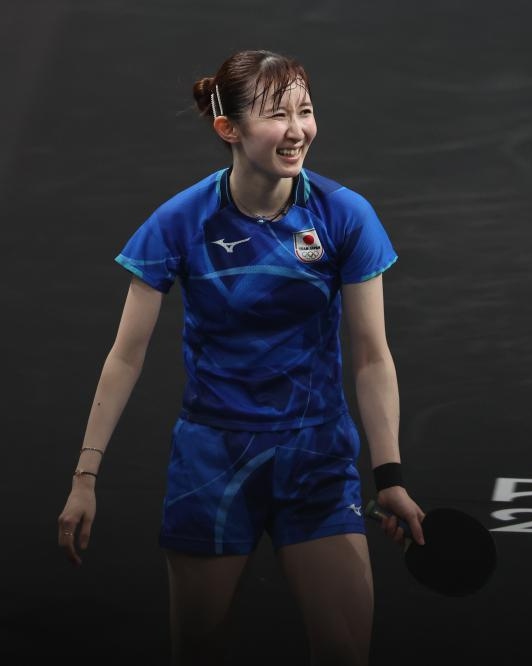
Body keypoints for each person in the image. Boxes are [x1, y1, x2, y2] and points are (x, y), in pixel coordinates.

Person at [56, 49, 425, 666]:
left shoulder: (344, 216)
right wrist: (83, 478)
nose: (296, 131)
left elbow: (371, 357)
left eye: (304, 112)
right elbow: (125, 356)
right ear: (228, 128)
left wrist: (388, 477)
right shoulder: (179, 221)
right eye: (275, 115)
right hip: (212, 460)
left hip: (315, 456)